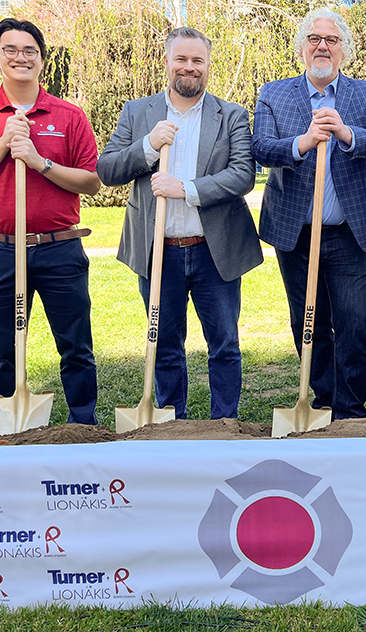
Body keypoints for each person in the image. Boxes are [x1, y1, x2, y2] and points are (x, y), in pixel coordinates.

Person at [97, 27, 262, 420]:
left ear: (208, 65)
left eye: (197, 60)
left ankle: (225, 424)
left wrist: (185, 189)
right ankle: (173, 423)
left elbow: (242, 175)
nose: (190, 67)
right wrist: (148, 145)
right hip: (158, 251)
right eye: (182, 59)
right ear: (167, 61)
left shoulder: (231, 115)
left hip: (213, 251)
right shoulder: (138, 112)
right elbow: (107, 169)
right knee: (165, 345)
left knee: (224, 343)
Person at [0, 17, 101, 425]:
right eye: (10, 50)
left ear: (42, 59)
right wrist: (3, 143)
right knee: (4, 351)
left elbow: (92, 181)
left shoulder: (69, 116)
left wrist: (38, 161)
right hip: (0, 250)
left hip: (59, 248)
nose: (21, 57)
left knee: (76, 346)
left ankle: (83, 425)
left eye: (30, 50)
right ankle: (7, 431)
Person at [252, 8, 366, 420]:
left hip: (348, 230)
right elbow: (260, 147)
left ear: (344, 49)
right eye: (314, 38)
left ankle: (350, 410)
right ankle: (324, 400)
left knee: (354, 321)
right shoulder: (274, 94)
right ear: (302, 47)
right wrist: (303, 141)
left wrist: (345, 133)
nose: (322, 46)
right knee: (307, 320)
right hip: (294, 231)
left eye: (331, 40)